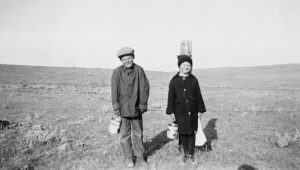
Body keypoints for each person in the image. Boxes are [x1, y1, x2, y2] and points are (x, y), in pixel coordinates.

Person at [111, 46, 150, 168]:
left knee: (138, 134)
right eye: (124, 59)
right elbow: (114, 90)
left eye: (129, 58)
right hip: (123, 110)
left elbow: (145, 88)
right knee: (124, 135)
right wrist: (116, 105)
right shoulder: (117, 72)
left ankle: (139, 157)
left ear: (133, 57)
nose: (127, 61)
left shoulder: (139, 70)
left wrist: (142, 105)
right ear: (121, 61)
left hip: (137, 109)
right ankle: (128, 157)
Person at [166, 55, 206, 162]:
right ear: (179, 66)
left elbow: (199, 95)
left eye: (189, 65)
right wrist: (171, 111)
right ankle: (184, 153)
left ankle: (191, 154)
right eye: (184, 65)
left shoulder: (194, 80)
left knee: (192, 132)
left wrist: (200, 110)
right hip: (180, 112)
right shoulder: (174, 81)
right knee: (183, 132)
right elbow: (171, 97)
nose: (186, 67)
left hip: (193, 111)